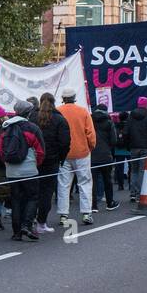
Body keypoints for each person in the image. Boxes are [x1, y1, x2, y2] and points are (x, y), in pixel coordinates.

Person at [0, 100, 46, 241]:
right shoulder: (32, 128)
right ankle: (27, 225)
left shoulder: (5, 128)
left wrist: (7, 164)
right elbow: (41, 151)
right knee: (32, 197)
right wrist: (35, 164)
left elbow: (0, 151)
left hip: (11, 171)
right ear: (28, 112)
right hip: (29, 170)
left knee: (16, 200)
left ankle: (16, 232)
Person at [55, 88, 96, 227]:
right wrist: (90, 147)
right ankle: (86, 212)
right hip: (82, 152)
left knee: (63, 184)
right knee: (84, 182)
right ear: (74, 97)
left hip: (63, 154)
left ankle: (63, 214)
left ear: (63, 98)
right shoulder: (83, 111)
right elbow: (90, 133)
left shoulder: (58, 111)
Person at [29, 93, 69, 233]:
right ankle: (41, 222)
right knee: (46, 193)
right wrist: (60, 158)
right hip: (51, 161)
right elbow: (65, 142)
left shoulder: (32, 118)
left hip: (34, 160)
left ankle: (30, 220)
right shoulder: (59, 119)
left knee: (33, 191)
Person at [124, 96, 147, 202]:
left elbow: (126, 132)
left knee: (134, 171)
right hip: (146, 147)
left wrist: (128, 144)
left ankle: (132, 193)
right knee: (142, 171)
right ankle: (139, 193)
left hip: (133, 147)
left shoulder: (131, 117)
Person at [90, 103, 120, 211]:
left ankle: (93, 205)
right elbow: (114, 140)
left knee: (92, 181)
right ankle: (110, 202)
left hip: (91, 155)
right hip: (106, 155)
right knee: (107, 180)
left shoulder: (89, 121)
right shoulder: (109, 122)